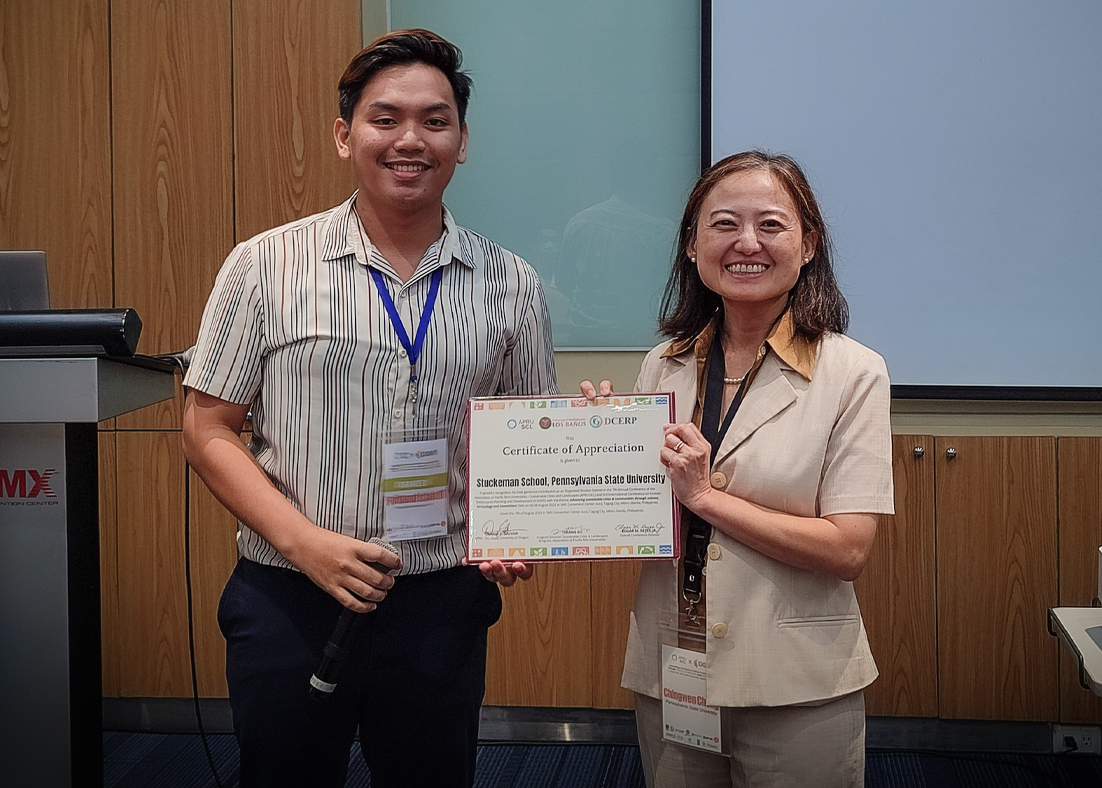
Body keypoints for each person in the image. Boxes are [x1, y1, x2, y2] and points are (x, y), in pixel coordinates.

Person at [182, 29, 555, 788]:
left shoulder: (511, 282)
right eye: (386, 119)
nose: (410, 139)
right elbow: (206, 427)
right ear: (344, 134)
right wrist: (306, 544)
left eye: (435, 119)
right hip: (288, 594)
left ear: (462, 140)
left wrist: (519, 525)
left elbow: (524, 440)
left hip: (439, 601)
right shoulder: (263, 265)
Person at [582, 151, 894, 787]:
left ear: (808, 245)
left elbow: (848, 549)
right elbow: (645, 519)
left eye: (771, 225)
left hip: (797, 680)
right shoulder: (663, 366)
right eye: (723, 224)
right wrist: (596, 452)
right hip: (675, 666)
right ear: (693, 246)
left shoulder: (854, 373)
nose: (746, 243)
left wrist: (705, 497)